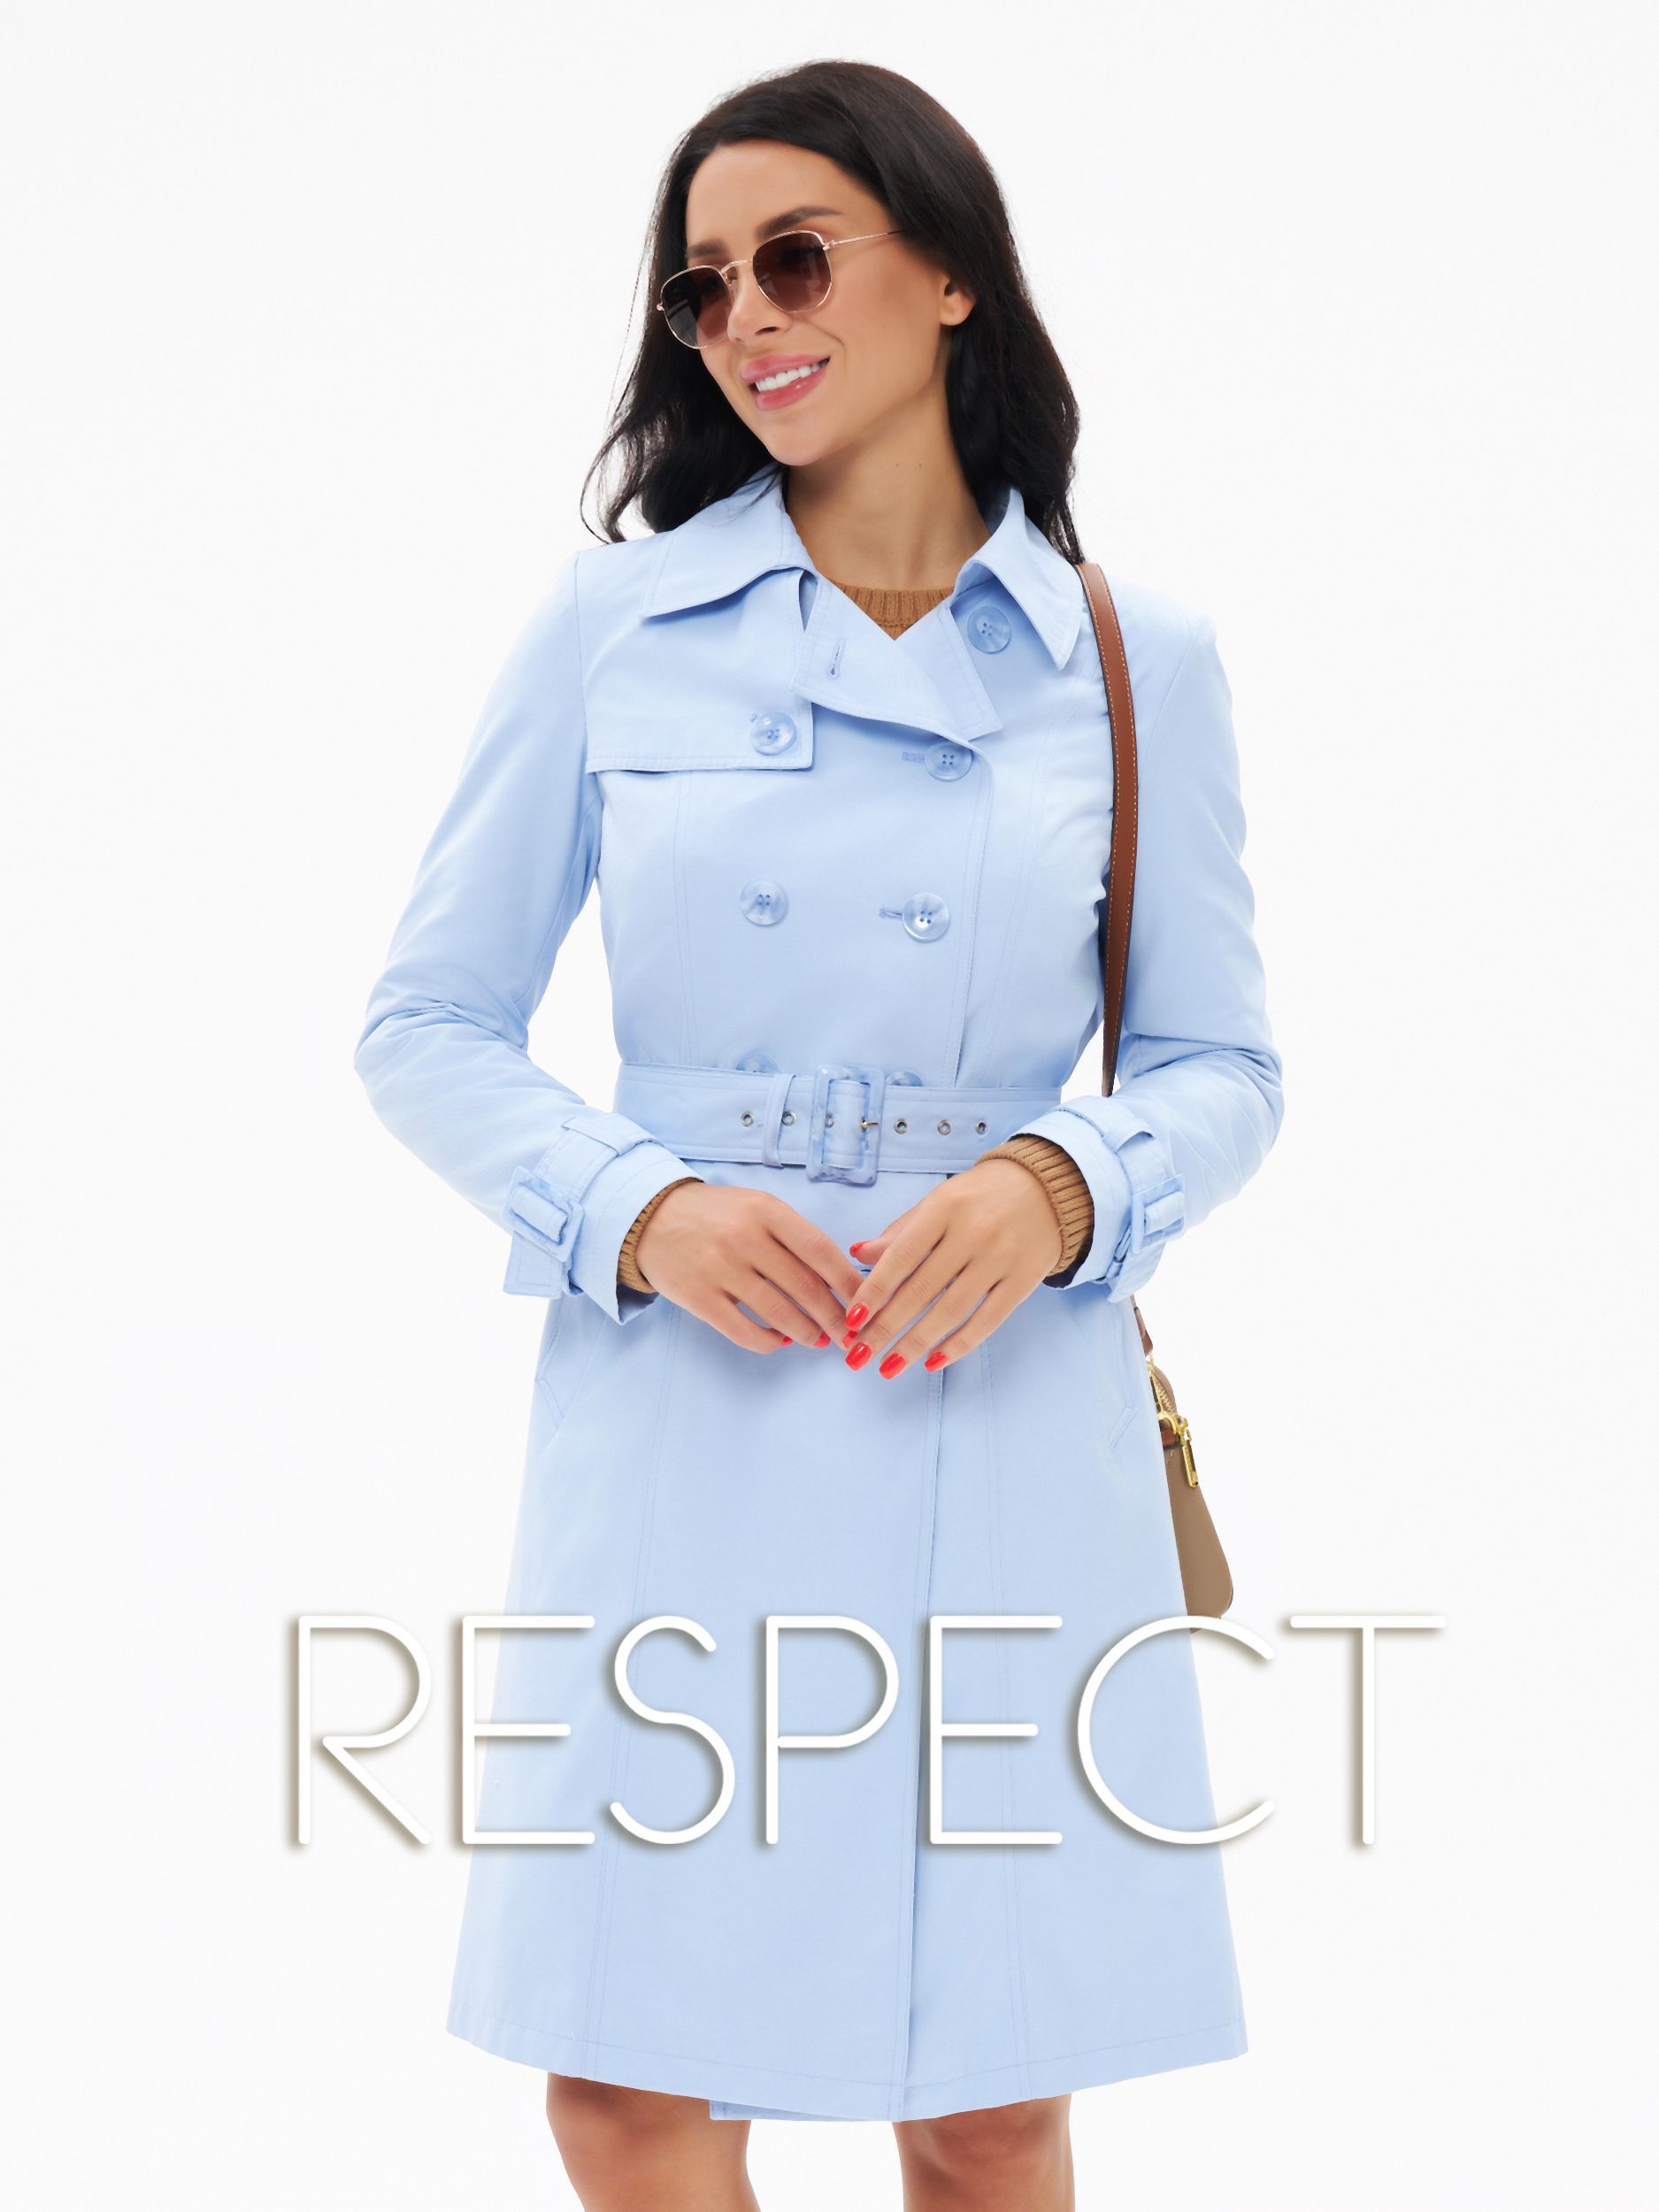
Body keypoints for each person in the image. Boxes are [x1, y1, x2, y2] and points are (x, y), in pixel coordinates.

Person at [354, 58, 1283, 2212]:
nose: (745, 319)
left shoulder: (1129, 655)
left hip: (1002, 1400)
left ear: (947, 271)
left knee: (983, 2103)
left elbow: (1220, 1063)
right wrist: (635, 1204)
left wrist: (1061, 1182)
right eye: (701, 288)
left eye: (792, 257)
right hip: (686, 1401)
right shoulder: (612, 628)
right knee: (627, 2092)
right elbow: (423, 1022)